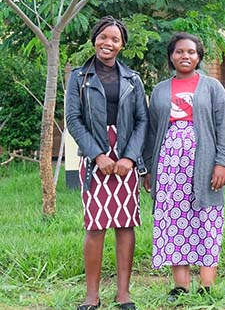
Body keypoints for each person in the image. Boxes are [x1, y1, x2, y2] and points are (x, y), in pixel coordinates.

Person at [143, 33, 225, 301]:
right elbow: (150, 133)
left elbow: (223, 129)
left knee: (207, 219)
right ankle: (180, 286)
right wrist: (149, 168)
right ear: (171, 56)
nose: (185, 56)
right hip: (168, 165)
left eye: (191, 52)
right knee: (174, 220)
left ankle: (207, 286)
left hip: (204, 162)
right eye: (180, 51)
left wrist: (222, 163)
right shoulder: (159, 90)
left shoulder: (212, 87)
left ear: (199, 57)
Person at [65, 16, 148, 310]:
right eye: (103, 37)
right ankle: (92, 295)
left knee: (125, 224)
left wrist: (129, 157)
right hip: (94, 156)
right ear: (94, 39)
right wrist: (97, 154)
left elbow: (142, 120)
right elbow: (73, 119)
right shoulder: (79, 77)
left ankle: (123, 293)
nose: (108, 43)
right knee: (96, 225)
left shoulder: (133, 79)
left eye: (114, 39)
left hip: (126, 155)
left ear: (122, 45)